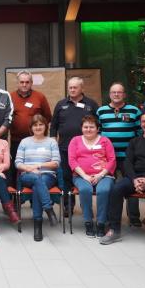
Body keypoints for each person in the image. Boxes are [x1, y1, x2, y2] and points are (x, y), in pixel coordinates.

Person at [100, 111, 145, 253]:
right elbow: (128, 162)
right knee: (116, 189)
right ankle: (114, 229)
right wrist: (134, 179)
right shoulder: (135, 142)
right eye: (143, 121)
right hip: (135, 177)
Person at [50, 76, 98, 217]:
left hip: (86, 150)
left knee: (85, 177)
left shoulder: (91, 104)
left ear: (82, 88)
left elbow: (98, 125)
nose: (72, 90)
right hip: (64, 148)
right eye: (70, 87)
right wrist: (54, 142)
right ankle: (68, 206)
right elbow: (54, 126)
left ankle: (85, 205)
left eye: (75, 87)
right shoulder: (61, 104)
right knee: (65, 178)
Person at [96, 82, 142, 226]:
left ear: (124, 94)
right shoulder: (101, 111)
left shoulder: (134, 111)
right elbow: (97, 133)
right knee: (109, 187)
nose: (116, 94)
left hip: (128, 158)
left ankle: (134, 217)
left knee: (132, 185)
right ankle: (111, 217)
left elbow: (140, 133)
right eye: (113, 92)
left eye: (119, 92)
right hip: (108, 158)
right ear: (109, 94)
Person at [68, 114, 116, 237]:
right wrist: (85, 176)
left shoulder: (105, 140)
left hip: (104, 175)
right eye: (86, 127)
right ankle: (88, 222)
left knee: (104, 190)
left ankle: (101, 223)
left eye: (92, 127)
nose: (88, 129)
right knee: (85, 189)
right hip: (81, 176)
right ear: (81, 128)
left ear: (97, 128)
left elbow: (112, 160)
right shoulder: (75, 140)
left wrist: (100, 175)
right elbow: (72, 160)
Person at [15, 115, 60, 242]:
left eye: (41, 124)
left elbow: (56, 163)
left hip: (48, 176)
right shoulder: (24, 142)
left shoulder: (51, 142)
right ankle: (48, 208)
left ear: (46, 126)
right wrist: (30, 169)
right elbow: (18, 163)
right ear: (31, 128)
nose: (38, 127)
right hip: (27, 176)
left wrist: (38, 166)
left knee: (37, 185)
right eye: (35, 125)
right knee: (36, 180)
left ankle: (38, 225)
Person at [9, 71, 52, 182]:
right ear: (18, 83)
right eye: (22, 82)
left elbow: (47, 117)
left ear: (31, 83)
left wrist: (39, 131)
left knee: (35, 169)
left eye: (27, 82)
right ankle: (15, 197)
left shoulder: (40, 97)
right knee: (15, 169)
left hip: (36, 142)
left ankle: (35, 197)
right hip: (16, 141)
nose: (24, 84)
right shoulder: (10, 97)